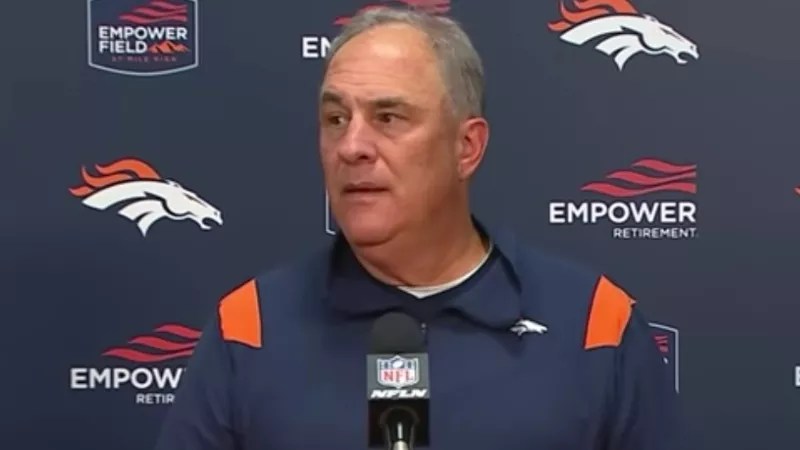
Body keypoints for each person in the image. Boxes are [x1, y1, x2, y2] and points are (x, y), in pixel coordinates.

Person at [153, 6, 679, 450]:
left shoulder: (594, 324)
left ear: (466, 147)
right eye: (336, 119)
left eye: (388, 118)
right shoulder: (249, 327)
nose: (351, 147)